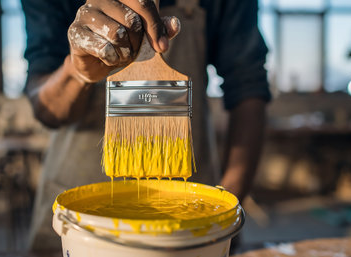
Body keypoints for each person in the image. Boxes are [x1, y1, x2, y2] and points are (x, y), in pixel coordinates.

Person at [21, 0, 270, 251]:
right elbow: (46, 110)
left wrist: (224, 212)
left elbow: (248, 86)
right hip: (76, 218)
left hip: (191, 216)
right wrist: (77, 72)